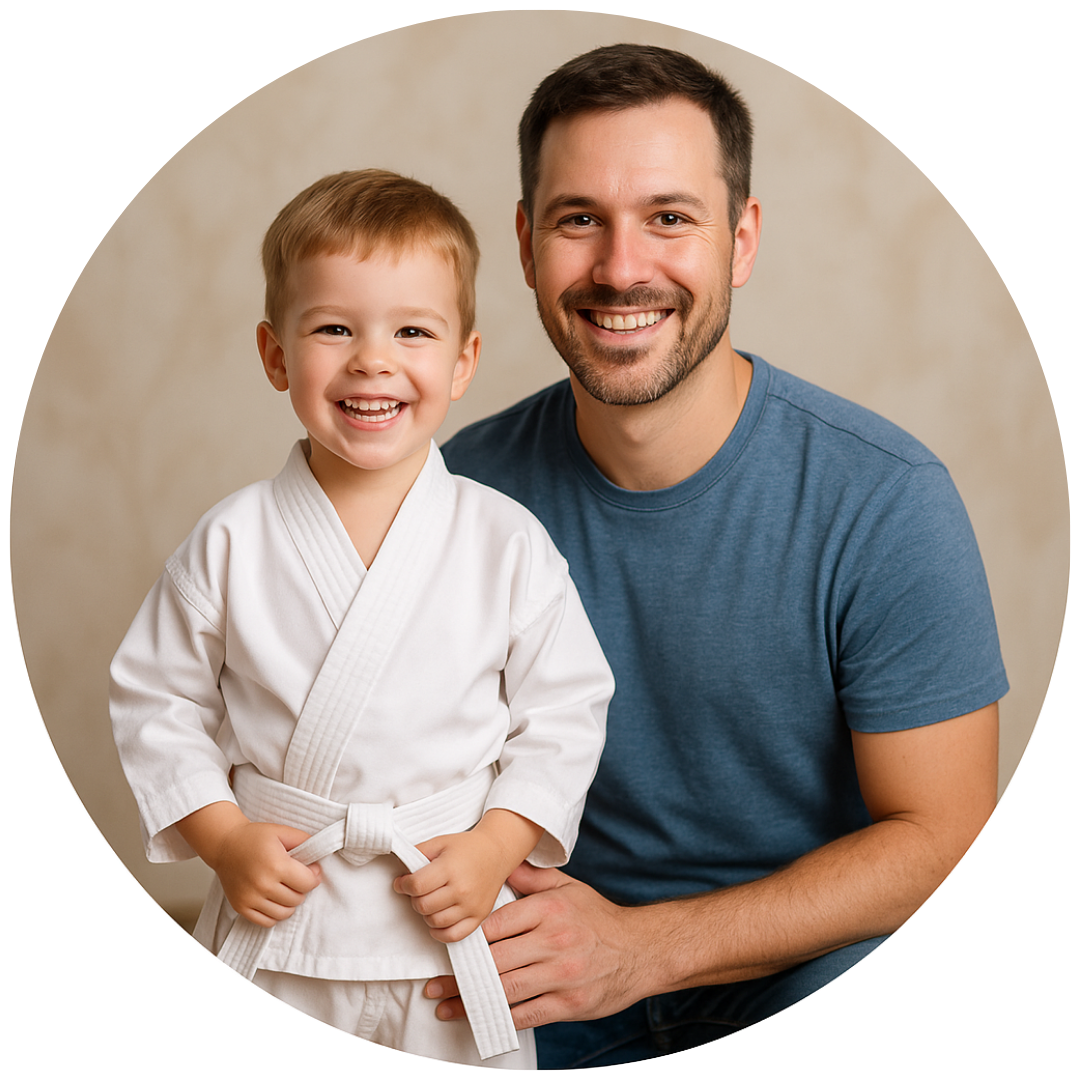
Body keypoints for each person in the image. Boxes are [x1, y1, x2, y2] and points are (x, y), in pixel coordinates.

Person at [436, 45, 1007, 1067]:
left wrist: (644, 950)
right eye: (579, 219)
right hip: (544, 984)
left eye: (668, 217)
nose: (620, 268)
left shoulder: (884, 497)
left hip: (809, 967)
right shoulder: (449, 498)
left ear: (741, 240)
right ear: (524, 244)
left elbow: (945, 842)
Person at [109, 169, 613, 1069]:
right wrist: (222, 839)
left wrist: (499, 843)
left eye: (412, 331)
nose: (372, 360)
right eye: (334, 328)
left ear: (463, 360)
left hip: (449, 926)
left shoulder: (506, 541)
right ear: (274, 355)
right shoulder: (230, 539)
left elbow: (567, 709)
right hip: (284, 925)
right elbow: (156, 700)